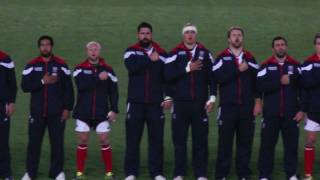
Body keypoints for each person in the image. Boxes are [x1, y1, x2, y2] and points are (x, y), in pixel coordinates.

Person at [165, 23, 215, 180]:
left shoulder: (205, 53)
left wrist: (212, 98)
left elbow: (212, 79)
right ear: (183, 35)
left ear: (196, 35)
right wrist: (187, 69)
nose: (190, 35)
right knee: (179, 140)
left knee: (200, 140)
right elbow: (167, 76)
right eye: (187, 32)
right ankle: (179, 173)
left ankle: (200, 174)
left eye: (192, 32)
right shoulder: (174, 53)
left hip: (200, 104)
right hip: (179, 104)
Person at [21, 35, 74, 180]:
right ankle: (30, 173)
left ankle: (57, 172)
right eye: (42, 45)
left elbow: (68, 89)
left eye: (48, 44)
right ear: (39, 47)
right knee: (34, 144)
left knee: (57, 144)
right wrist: (42, 81)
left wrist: (67, 108)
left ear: (52, 46)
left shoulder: (61, 64)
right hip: (37, 113)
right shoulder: (31, 65)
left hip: (56, 113)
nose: (45, 47)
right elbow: (24, 86)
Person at [123, 22, 171, 180]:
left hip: (155, 104)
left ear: (152, 35)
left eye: (148, 33)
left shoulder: (163, 53)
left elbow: (167, 78)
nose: (145, 36)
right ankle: (131, 173)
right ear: (138, 35)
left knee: (156, 140)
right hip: (135, 103)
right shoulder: (131, 51)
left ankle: (156, 173)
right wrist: (150, 60)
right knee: (132, 140)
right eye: (142, 33)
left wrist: (167, 97)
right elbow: (132, 68)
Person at [212, 27, 260, 180]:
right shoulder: (222, 57)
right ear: (229, 39)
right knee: (225, 143)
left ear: (243, 39)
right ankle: (221, 174)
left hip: (246, 107)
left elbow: (257, 83)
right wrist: (238, 70)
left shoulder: (250, 58)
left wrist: (258, 102)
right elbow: (217, 79)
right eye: (234, 35)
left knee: (245, 142)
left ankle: (243, 174)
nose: (237, 38)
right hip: (227, 107)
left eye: (239, 35)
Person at [256, 36, 303, 180]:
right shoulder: (265, 65)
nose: (280, 47)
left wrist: (302, 110)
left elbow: (304, 88)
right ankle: (264, 175)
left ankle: (291, 174)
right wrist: (279, 81)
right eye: (277, 45)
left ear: (286, 47)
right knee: (267, 146)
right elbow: (259, 87)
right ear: (273, 48)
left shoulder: (295, 65)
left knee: (291, 146)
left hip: (291, 113)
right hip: (271, 114)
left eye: (282, 44)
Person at [72, 41, 119, 180]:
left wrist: (114, 109)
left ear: (100, 51)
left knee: (104, 139)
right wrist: (97, 78)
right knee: (83, 139)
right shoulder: (79, 68)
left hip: (101, 112)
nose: (93, 52)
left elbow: (114, 92)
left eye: (96, 49)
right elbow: (81, 86)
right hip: (83, 111)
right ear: (87, 51)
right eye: (91, 49)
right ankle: (79, 174)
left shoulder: (109, 70)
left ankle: (109, 173)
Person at [300, 33, 320, 180]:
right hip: (314, 108)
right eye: (318, 43)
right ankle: (307, 173)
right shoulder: (308, 64)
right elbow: (305, 84)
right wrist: (304, 109)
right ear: (315, 45)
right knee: (311, 140)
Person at [0, 50, 17, 180]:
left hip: (2, 105)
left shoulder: (5, 58)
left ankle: (6, 173)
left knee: (3, 141)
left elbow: (12, 83)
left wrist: (11, 102)